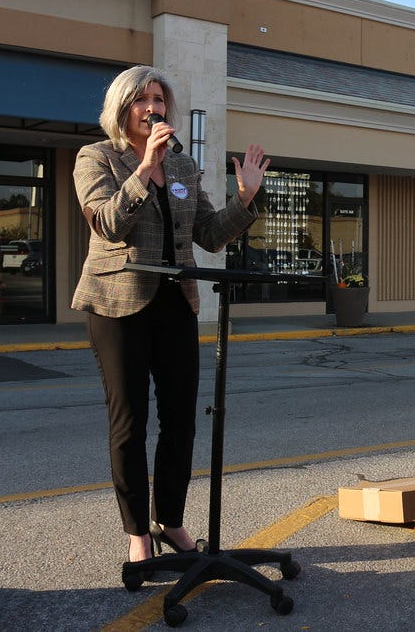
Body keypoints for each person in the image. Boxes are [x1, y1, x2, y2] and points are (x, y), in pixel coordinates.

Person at [72, 65, 268, 566]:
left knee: (181, 419)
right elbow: (109, 223)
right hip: (117, 305)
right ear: (123, 107)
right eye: (142, 99)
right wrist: (143, 169)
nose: (153, 107)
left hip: (175, 302)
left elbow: (208, 233)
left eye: (158, 98)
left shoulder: (182, 168)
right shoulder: (96, 157)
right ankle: (137, 532)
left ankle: (171, 521)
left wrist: (244, 197)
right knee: (129, 422)